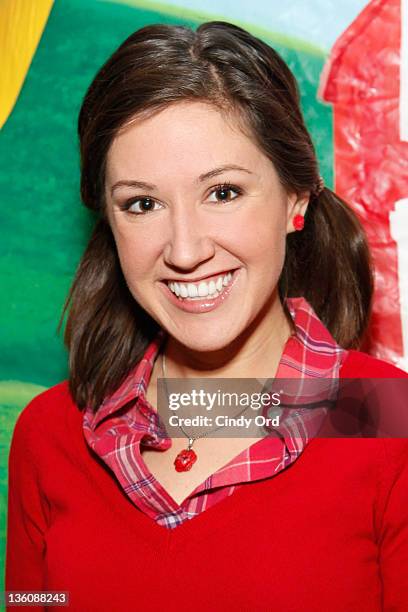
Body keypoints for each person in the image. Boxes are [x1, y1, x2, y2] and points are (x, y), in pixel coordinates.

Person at [5, 21, 408, 612]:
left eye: (222, 192)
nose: (186, 250)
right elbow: (34, 601)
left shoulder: (388, 422)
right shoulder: (49, 437)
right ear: (110, 224)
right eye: (142, 204)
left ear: (296, 197)